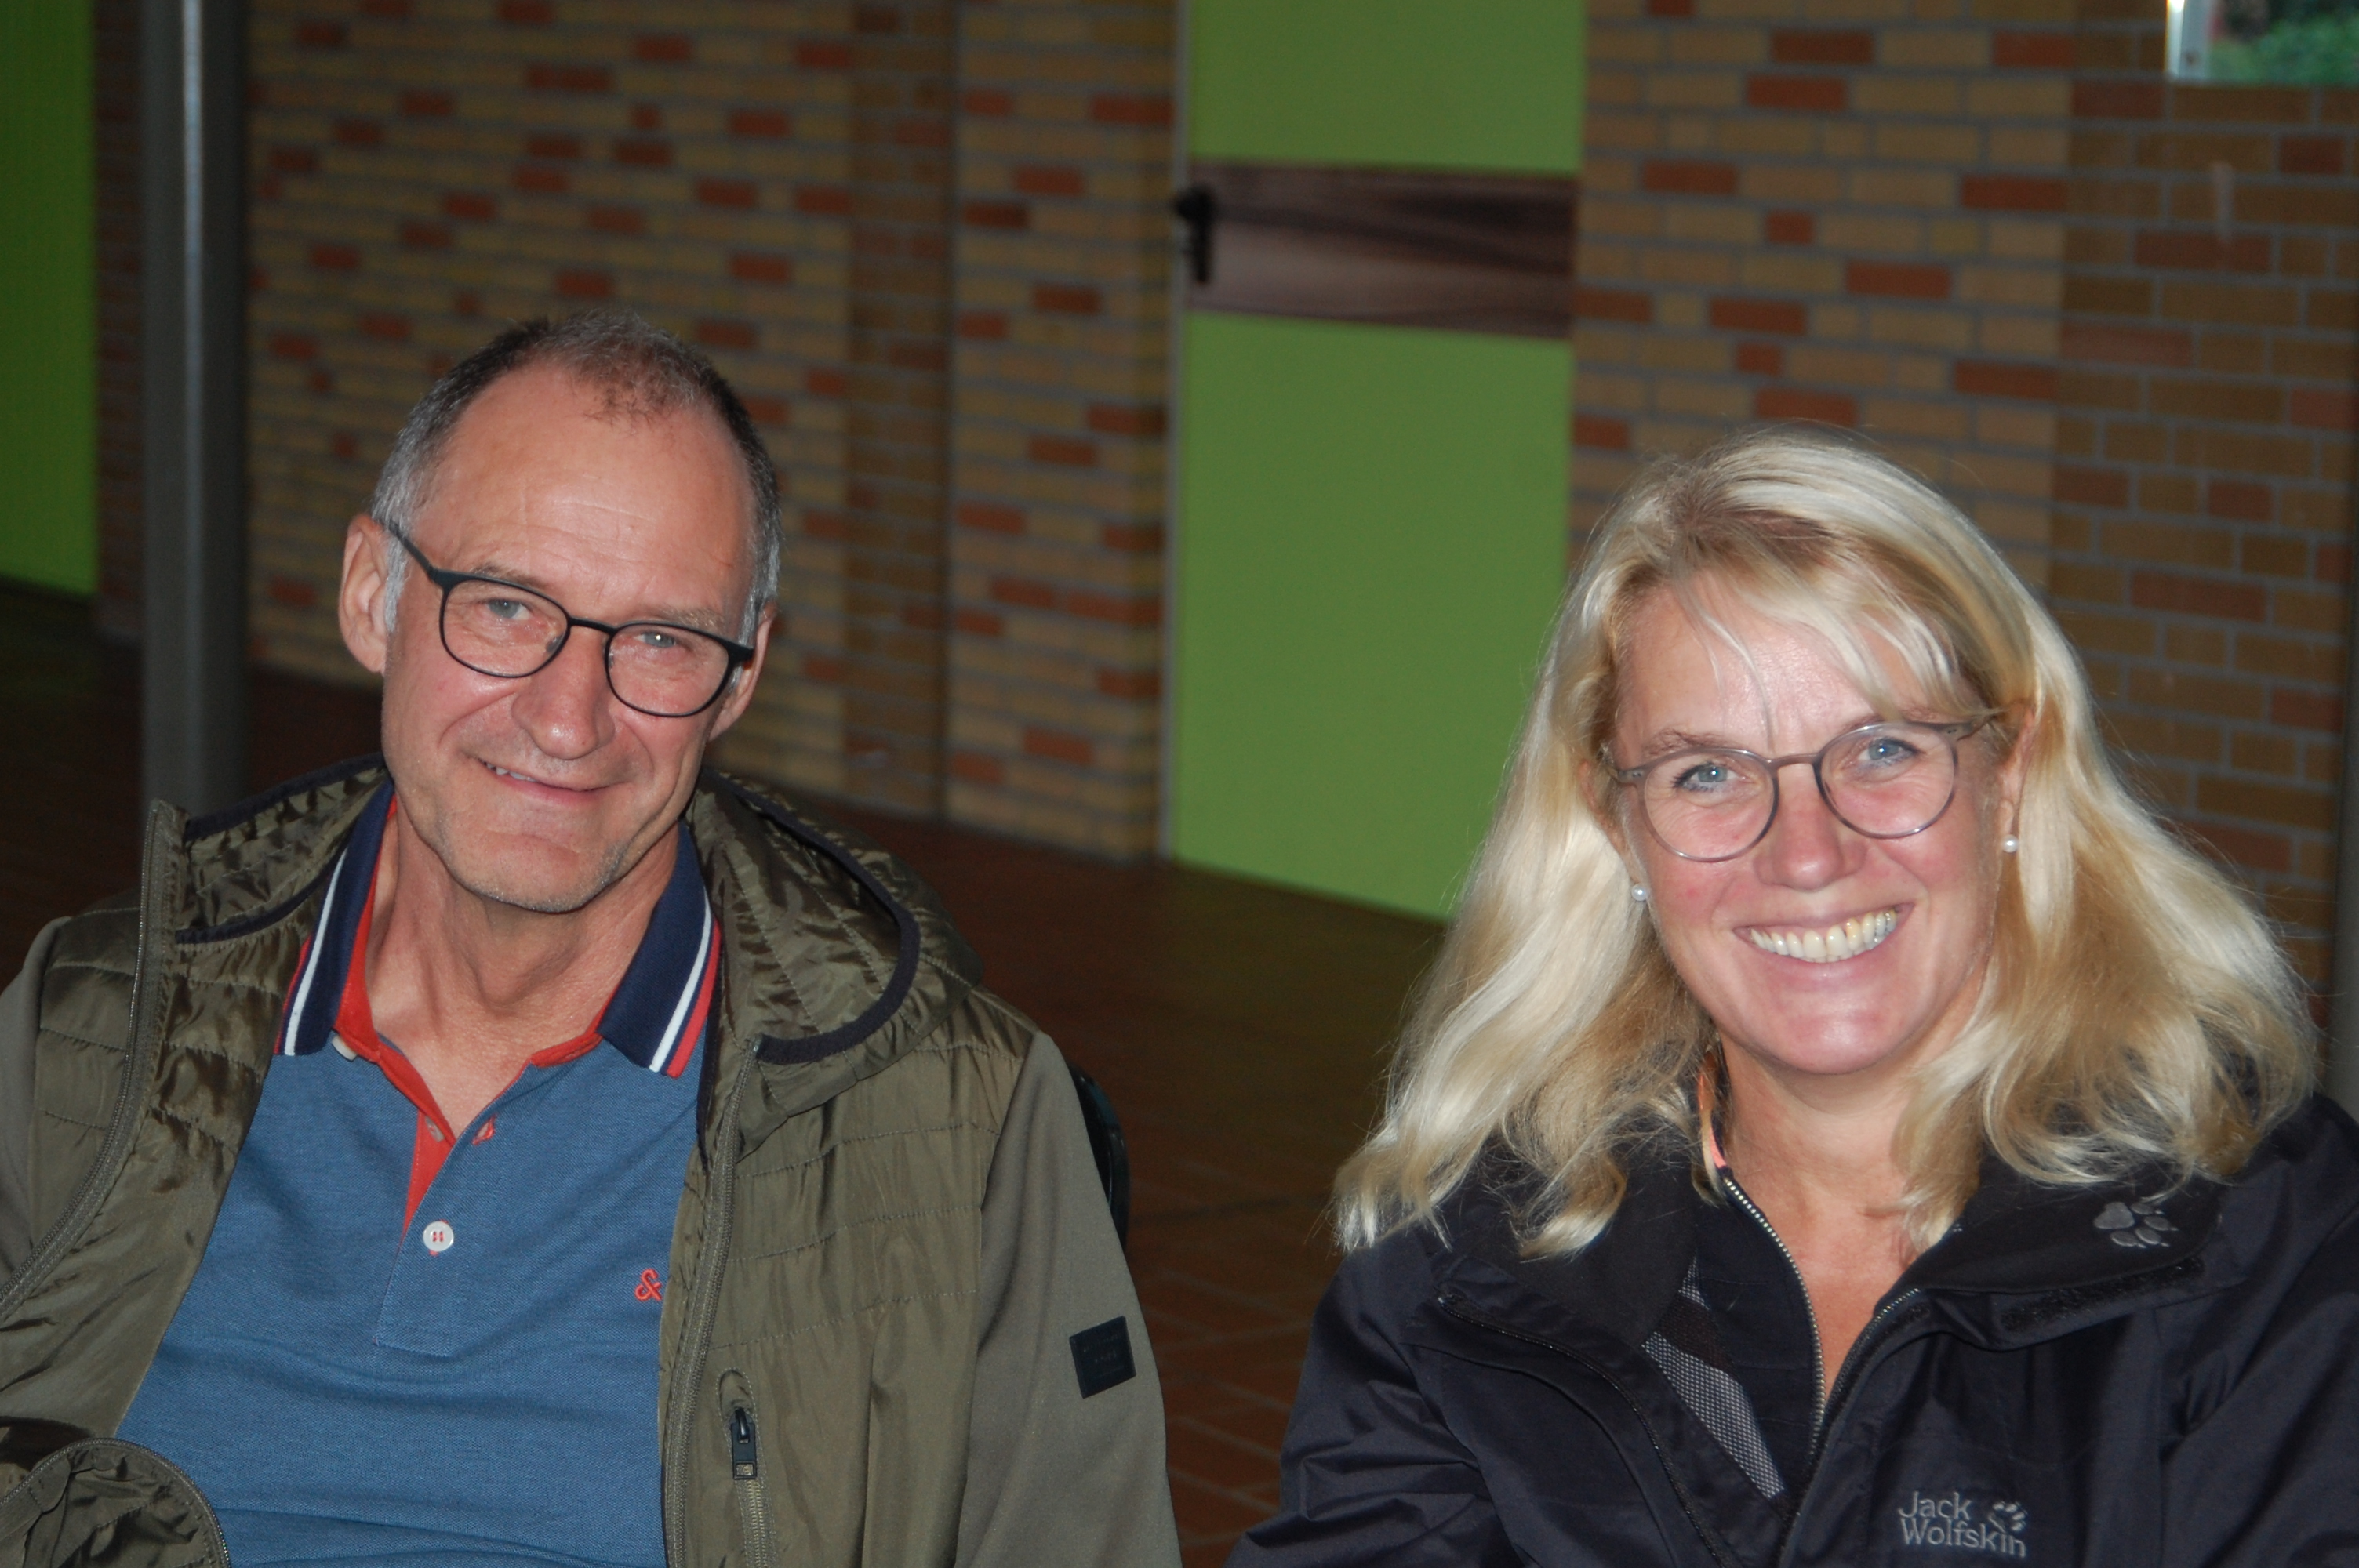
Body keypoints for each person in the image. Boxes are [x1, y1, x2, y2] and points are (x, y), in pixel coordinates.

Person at [0, 310, 1180, 1568]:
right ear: (371, 594)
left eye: (662, 640)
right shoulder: (89, 1030)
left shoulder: (951, 1117)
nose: (569, 721)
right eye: (508, 608)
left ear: (740, 677)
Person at [1231, 426, 2357, 1566]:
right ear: (1616, 821)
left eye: (1882, 750)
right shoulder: (1475, 1257)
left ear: (2009, 773)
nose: (1807, 855)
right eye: (1709, 773)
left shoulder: (2270, 1239)